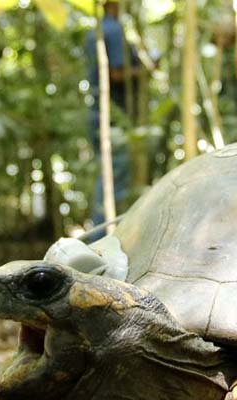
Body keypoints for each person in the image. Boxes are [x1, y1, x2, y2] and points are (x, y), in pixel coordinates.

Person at [84, 1, 138, 241]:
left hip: (97, 113)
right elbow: (116, 73)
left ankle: (100, 240)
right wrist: (144, 69)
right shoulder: (114, 30)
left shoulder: (93, 31)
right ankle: (102, 243)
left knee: (106, 179)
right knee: (113, 183)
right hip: (112, 116)